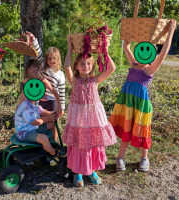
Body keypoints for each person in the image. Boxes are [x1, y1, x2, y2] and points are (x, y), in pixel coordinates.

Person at [109, 20, 177, 172]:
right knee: (127, 129)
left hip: (140, 106)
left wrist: (171, 30)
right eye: (141, 50)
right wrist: (129, 31)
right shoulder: (133, 64)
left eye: (148, 52)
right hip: (127, 104)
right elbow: (126, 46)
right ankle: (120, 158)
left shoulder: (149, 70)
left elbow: (164, 52)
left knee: (142, 130)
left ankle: (144, 158)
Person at [63, 36, 117, 187]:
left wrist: (105, 51)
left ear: (92, 66)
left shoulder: (96, 80)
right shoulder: (74, 81)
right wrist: (69, 48)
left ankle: (92, 170)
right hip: (79, 120)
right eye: (82, 63)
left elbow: (112, 68)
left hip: (93, 119)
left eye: (88, 63)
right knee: (79, 144)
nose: (85, 66)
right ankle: (78, 172)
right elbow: (66, 67)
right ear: (77, 66)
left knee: (94, 144)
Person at [16, 32, 63, 141]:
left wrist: (60, 107)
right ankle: (41, 143)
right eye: (29, 69)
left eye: (34, 68)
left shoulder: (44, 80)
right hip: (33, 108)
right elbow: (24, 97)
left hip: (45, 104)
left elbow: (57, 91)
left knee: (53, 121)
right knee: (41, 122)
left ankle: (53, 144)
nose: (32, 70)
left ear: (39, 67)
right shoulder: (27, 81)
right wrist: (19, 106)